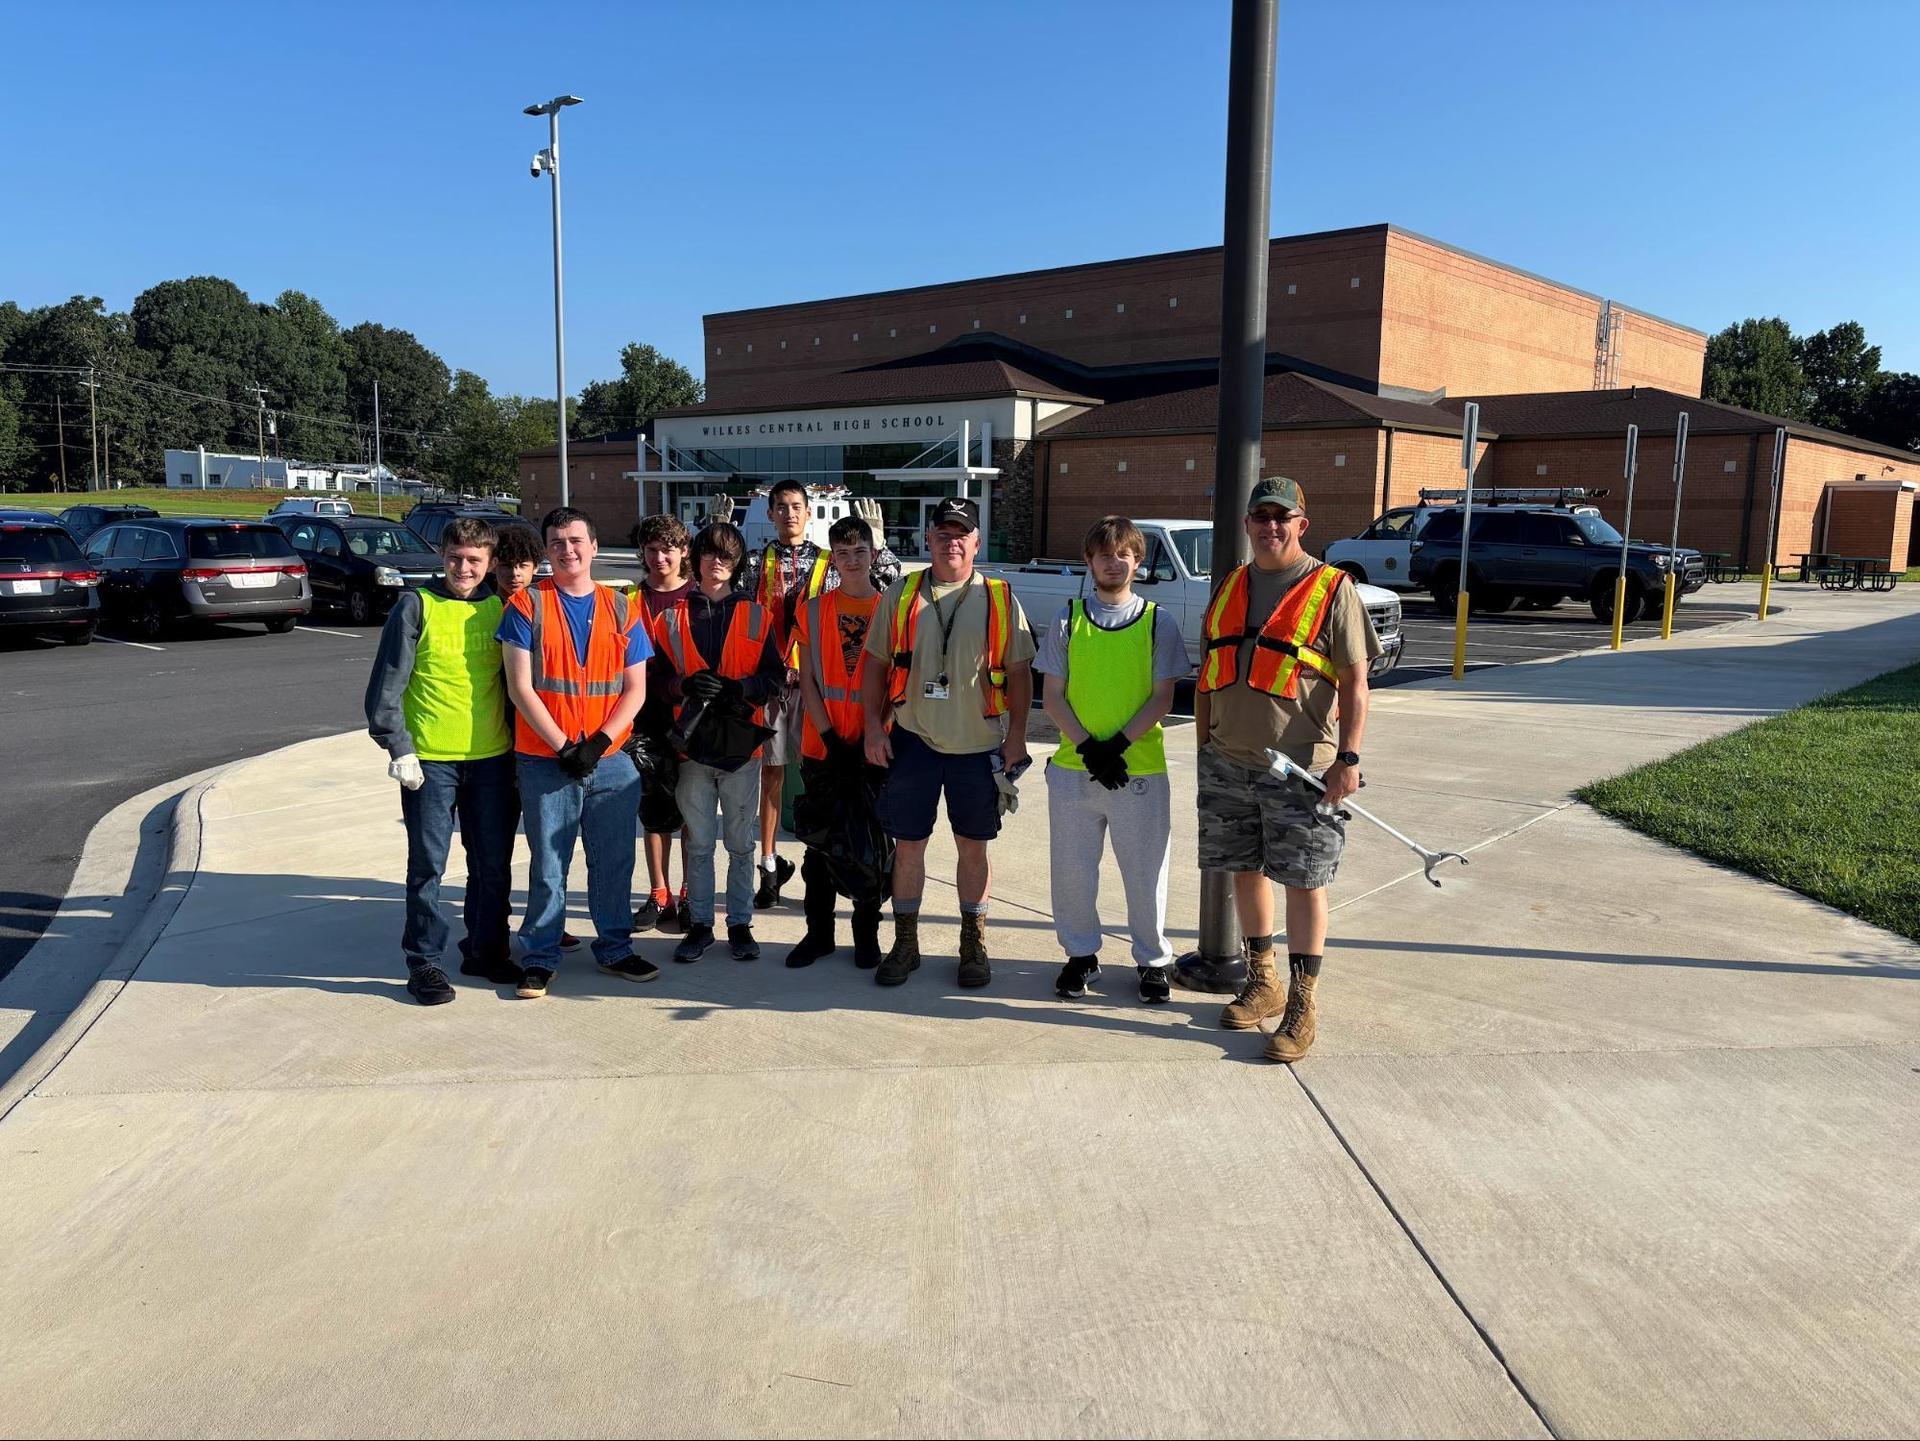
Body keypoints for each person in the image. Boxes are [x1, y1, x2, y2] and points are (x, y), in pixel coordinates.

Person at [1195, 477, 1377, 1063]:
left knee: (1304, 881)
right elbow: (1209, 670)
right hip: (1228, 762)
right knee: (1244, 871)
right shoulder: (1229, 587)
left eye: (1283, 517)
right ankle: (1263, 978)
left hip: (1302, 770)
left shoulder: (1332, 588)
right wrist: (1205, 743)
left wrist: (1347, 759)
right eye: (1261, 516)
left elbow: (1355, 681)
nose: (1271, 526)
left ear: (1302, 524)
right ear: (1247, 524)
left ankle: (1303, 1000)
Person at [860, 496, 1035, 989]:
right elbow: (874, 664)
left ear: (976, 542)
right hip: (912, 741)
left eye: (961, 533)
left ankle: (972, 941)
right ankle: (907, 942)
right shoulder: (901, 593)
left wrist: (1017, 737)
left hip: (978, 746)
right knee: (909, 845)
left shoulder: (1000, 597)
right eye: (942, 533)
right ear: (928, 540)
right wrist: (874, 728)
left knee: (972, 848)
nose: (951, 541)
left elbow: (1020, 674)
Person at [496, 505, 656, 999]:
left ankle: (614, 947)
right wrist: (565, 746)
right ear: (547, 550)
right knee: (549, 861)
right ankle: (540, 956)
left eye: (576, 540)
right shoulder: (525, 607)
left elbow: (636, 690)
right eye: (558, 541)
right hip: (546, 759)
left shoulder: (623, 607)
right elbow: (521, 688)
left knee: (613, 861)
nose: (568, 549)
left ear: (593, 546)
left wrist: (600, 744)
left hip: (610, 761)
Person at [364, 518, 519, 1004]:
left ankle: (486, 948)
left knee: (492, 864)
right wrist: (398, 745)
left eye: (475, 560)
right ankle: (425, 962)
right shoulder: (417, 605)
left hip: (492, 758)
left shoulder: (501, 609)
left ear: (491, 563)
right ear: (442, 555)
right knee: (428, 865)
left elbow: (515, 686)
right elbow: (387, 683)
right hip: (430, 761)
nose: (463, 568)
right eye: (455, 557)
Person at [1037, 516, 1191, 1004]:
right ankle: (1081, 955)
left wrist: (1116, 747)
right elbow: (1054, 698)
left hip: (1138, 770)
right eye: (1103, 553)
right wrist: (1089, 747)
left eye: (1122, 553)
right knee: (1073, 871)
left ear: (1137, 560)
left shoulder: (1156, 622)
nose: (1112, 561)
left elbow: (1163, 697)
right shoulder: (1068, 618)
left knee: (1146, 872)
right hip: (1074, 769)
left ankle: (1152, 960)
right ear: (1089, 561)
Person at [734, 480, 900, 909]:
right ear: (769, 513)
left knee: (830, 782)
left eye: (797, 507)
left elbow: (887, 582)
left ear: (810, 513)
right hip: (771, 683)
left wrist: (879, 544)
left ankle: (853, 863)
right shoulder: (755, 562)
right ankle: (769, 865)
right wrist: (715, 529)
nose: (789, 514)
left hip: (820, 689)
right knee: (771, 773)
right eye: (781, 507)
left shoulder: (834, 558)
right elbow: (721, 581)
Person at [652, 521, 786, 963]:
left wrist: (741, 689)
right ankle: (701, 925)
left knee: (741, 844)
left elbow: (774, 677)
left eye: (726, 556)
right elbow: (653, 678)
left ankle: (740, 923)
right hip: (690, 748)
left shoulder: (756, 615)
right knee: (699, 844)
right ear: (696, 559)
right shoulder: (669, 618)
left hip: (739, 750)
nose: (717, 563)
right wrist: (682, 687)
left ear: (737, 563)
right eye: (709, 554)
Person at [786, 514, 888, 970]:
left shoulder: (891, 608)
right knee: (820, 845)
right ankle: (819, 934)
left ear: (872, 554)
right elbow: (806, 679)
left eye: (859, 552)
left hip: (874, 746)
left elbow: (898, 682)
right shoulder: (811, 610)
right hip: (822, 746)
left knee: (870, 842)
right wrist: (830, 736)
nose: (851, 561)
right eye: (842, 553)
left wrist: (873, 731)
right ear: (832, 558)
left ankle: (866, 936)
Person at [629, 514, 694, 935]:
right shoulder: (629, 600)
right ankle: (659, 892)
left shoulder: (698, 598)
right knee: (653, 811)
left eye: (667, 549)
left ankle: (690, 891)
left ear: (683, 551)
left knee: (691, 809)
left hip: (689, 718)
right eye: (651, 550)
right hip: (645, 715)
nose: (659, 558)